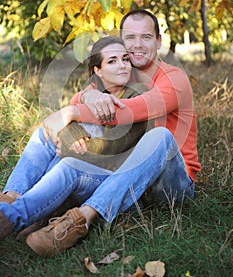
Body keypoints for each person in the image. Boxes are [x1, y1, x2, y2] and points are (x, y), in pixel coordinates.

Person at [1, 9, 202, 257]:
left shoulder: (175, 78)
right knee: (45, 135)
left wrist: (73, 112)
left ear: (159, 41)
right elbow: (81, 97)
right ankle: (10, 200)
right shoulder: (123, 72)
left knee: (160, 136)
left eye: (146, 37)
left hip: (170, 184)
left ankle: (81, 219)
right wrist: (89, 96)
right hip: (124, 179)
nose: (137, 45)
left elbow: (132, 111)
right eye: (130, 37)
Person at [0, 36, 152, 249]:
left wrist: (75, 144)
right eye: (112, 61)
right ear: (98, 70)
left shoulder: (139, 95)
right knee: (43, 135)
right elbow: (68, 122)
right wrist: (69, 134)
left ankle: (14, 216)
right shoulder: (94, 94)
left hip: (110, 182)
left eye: (125, 59)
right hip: (86, 171)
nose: (122, 65)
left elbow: (117, 147)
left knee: (69, 163)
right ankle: (12, 197)